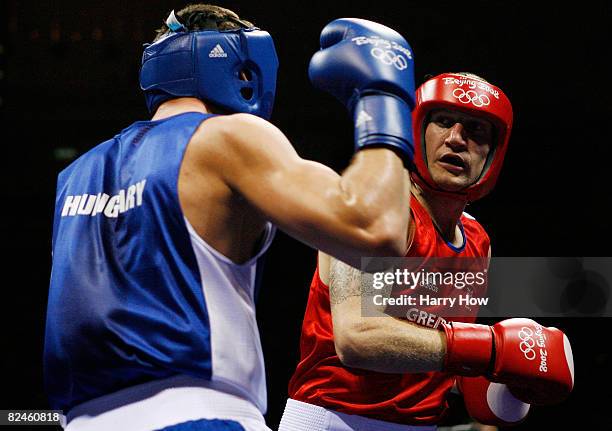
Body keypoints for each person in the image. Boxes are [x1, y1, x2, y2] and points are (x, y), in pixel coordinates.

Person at [43, 5, 418, 431]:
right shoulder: (228, 135)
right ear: (243, 68)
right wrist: (383, 97)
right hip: (198, 415)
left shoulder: (76, 175)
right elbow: (376, 228)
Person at [281, 73, 575, 430]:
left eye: (475, 129)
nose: (455, 139)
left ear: (494, 152)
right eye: (443, 122)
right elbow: (356, 337)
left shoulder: (478, 240)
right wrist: (490, 350)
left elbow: (435, 351)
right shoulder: (376, 211)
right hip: (333, 419)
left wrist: (505, 378)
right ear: (417, 131)